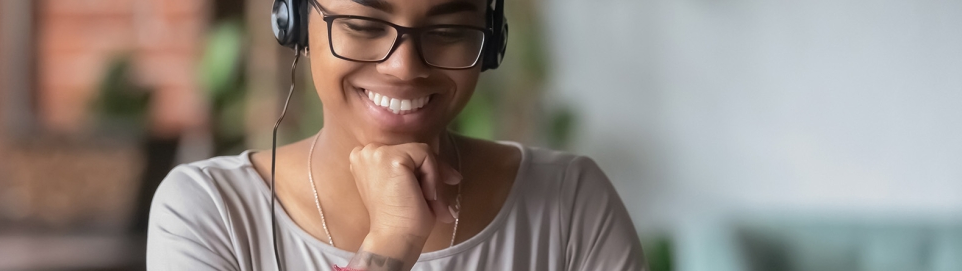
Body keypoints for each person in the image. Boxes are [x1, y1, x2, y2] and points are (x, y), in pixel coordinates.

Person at [147, 0, 647, 270]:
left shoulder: (570, 204)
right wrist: (392, 238)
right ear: (296, 21)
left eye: (449, 31)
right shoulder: (209, 212)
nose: (404, 67)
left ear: (490, 43)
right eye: (364, 24)